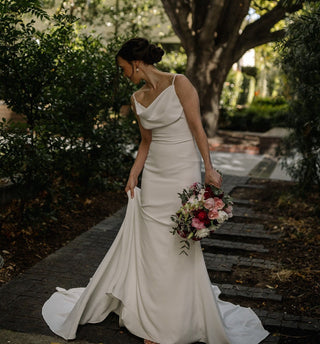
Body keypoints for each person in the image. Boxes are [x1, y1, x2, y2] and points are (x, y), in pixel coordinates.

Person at [42, 38, 269, 344]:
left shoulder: (181, 84)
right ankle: (150, 314)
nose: (124, 75)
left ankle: (171, 320)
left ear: (136, 64)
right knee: (153, 247)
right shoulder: (137, 98)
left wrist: (209, 168)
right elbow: (146, 142)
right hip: (155, 176)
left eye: (124, 68)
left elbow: (197, 129)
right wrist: (134, 174)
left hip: (182, 172)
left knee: (177, 244)